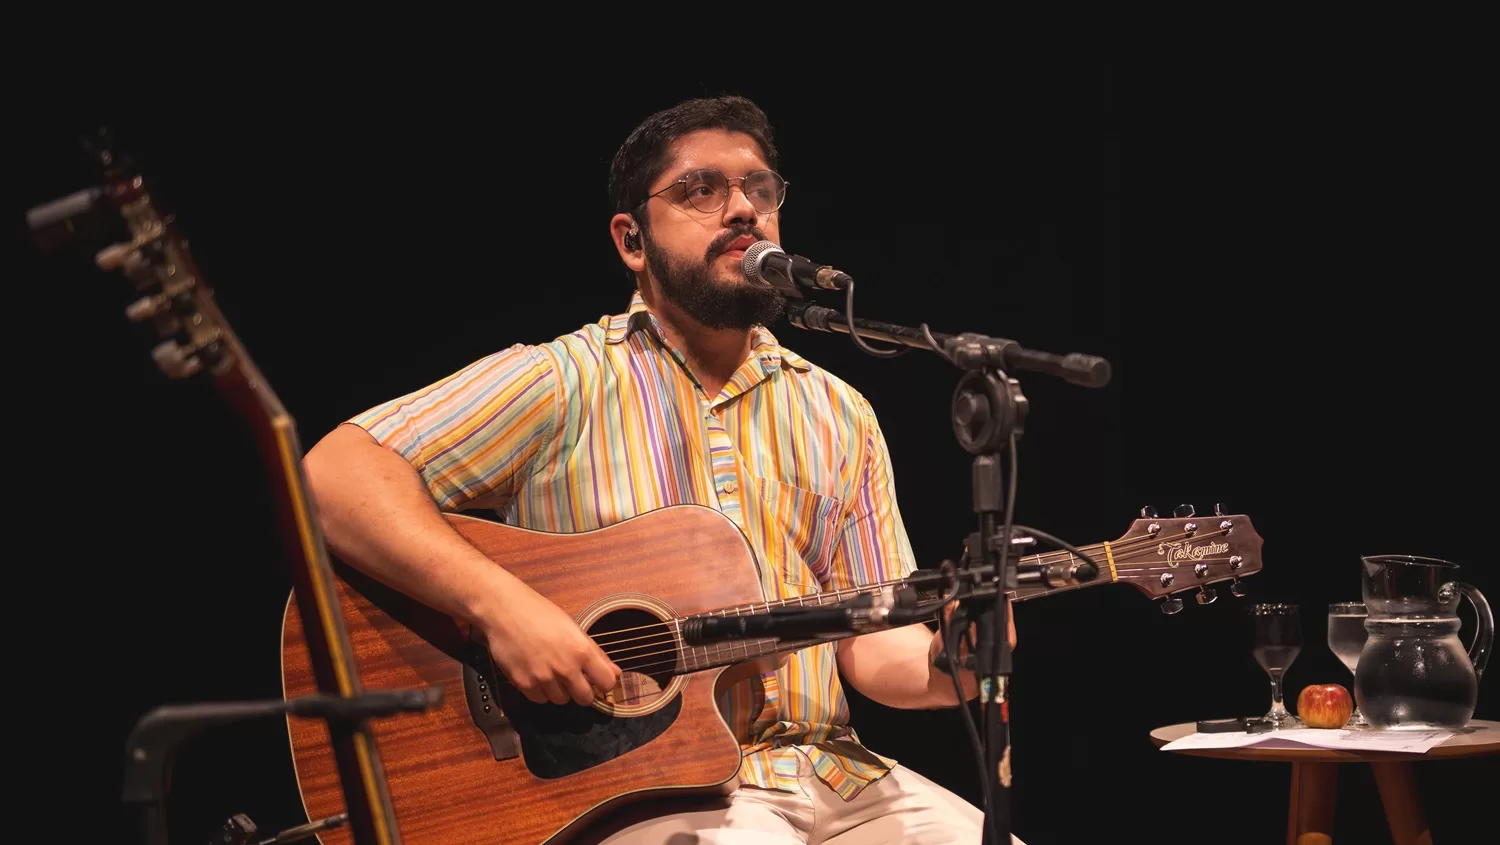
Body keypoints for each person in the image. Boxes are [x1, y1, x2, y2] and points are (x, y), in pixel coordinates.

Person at [302, 94, 1020, 845]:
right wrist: (502, 608)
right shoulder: (565, 379)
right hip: (642, 783)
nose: (743, 209)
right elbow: (334, 475)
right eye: (701, 190)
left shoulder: (840, 413)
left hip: (835, 775)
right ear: (632, 241)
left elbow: (872, 644)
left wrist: (954, 661)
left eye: (760, 189)